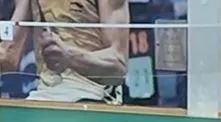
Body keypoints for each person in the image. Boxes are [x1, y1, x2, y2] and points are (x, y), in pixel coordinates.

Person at [1, 0, 129, 103]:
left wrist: (70, 57)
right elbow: (8, 58)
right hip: (44, 96)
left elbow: (118, 66)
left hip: (92, 96)